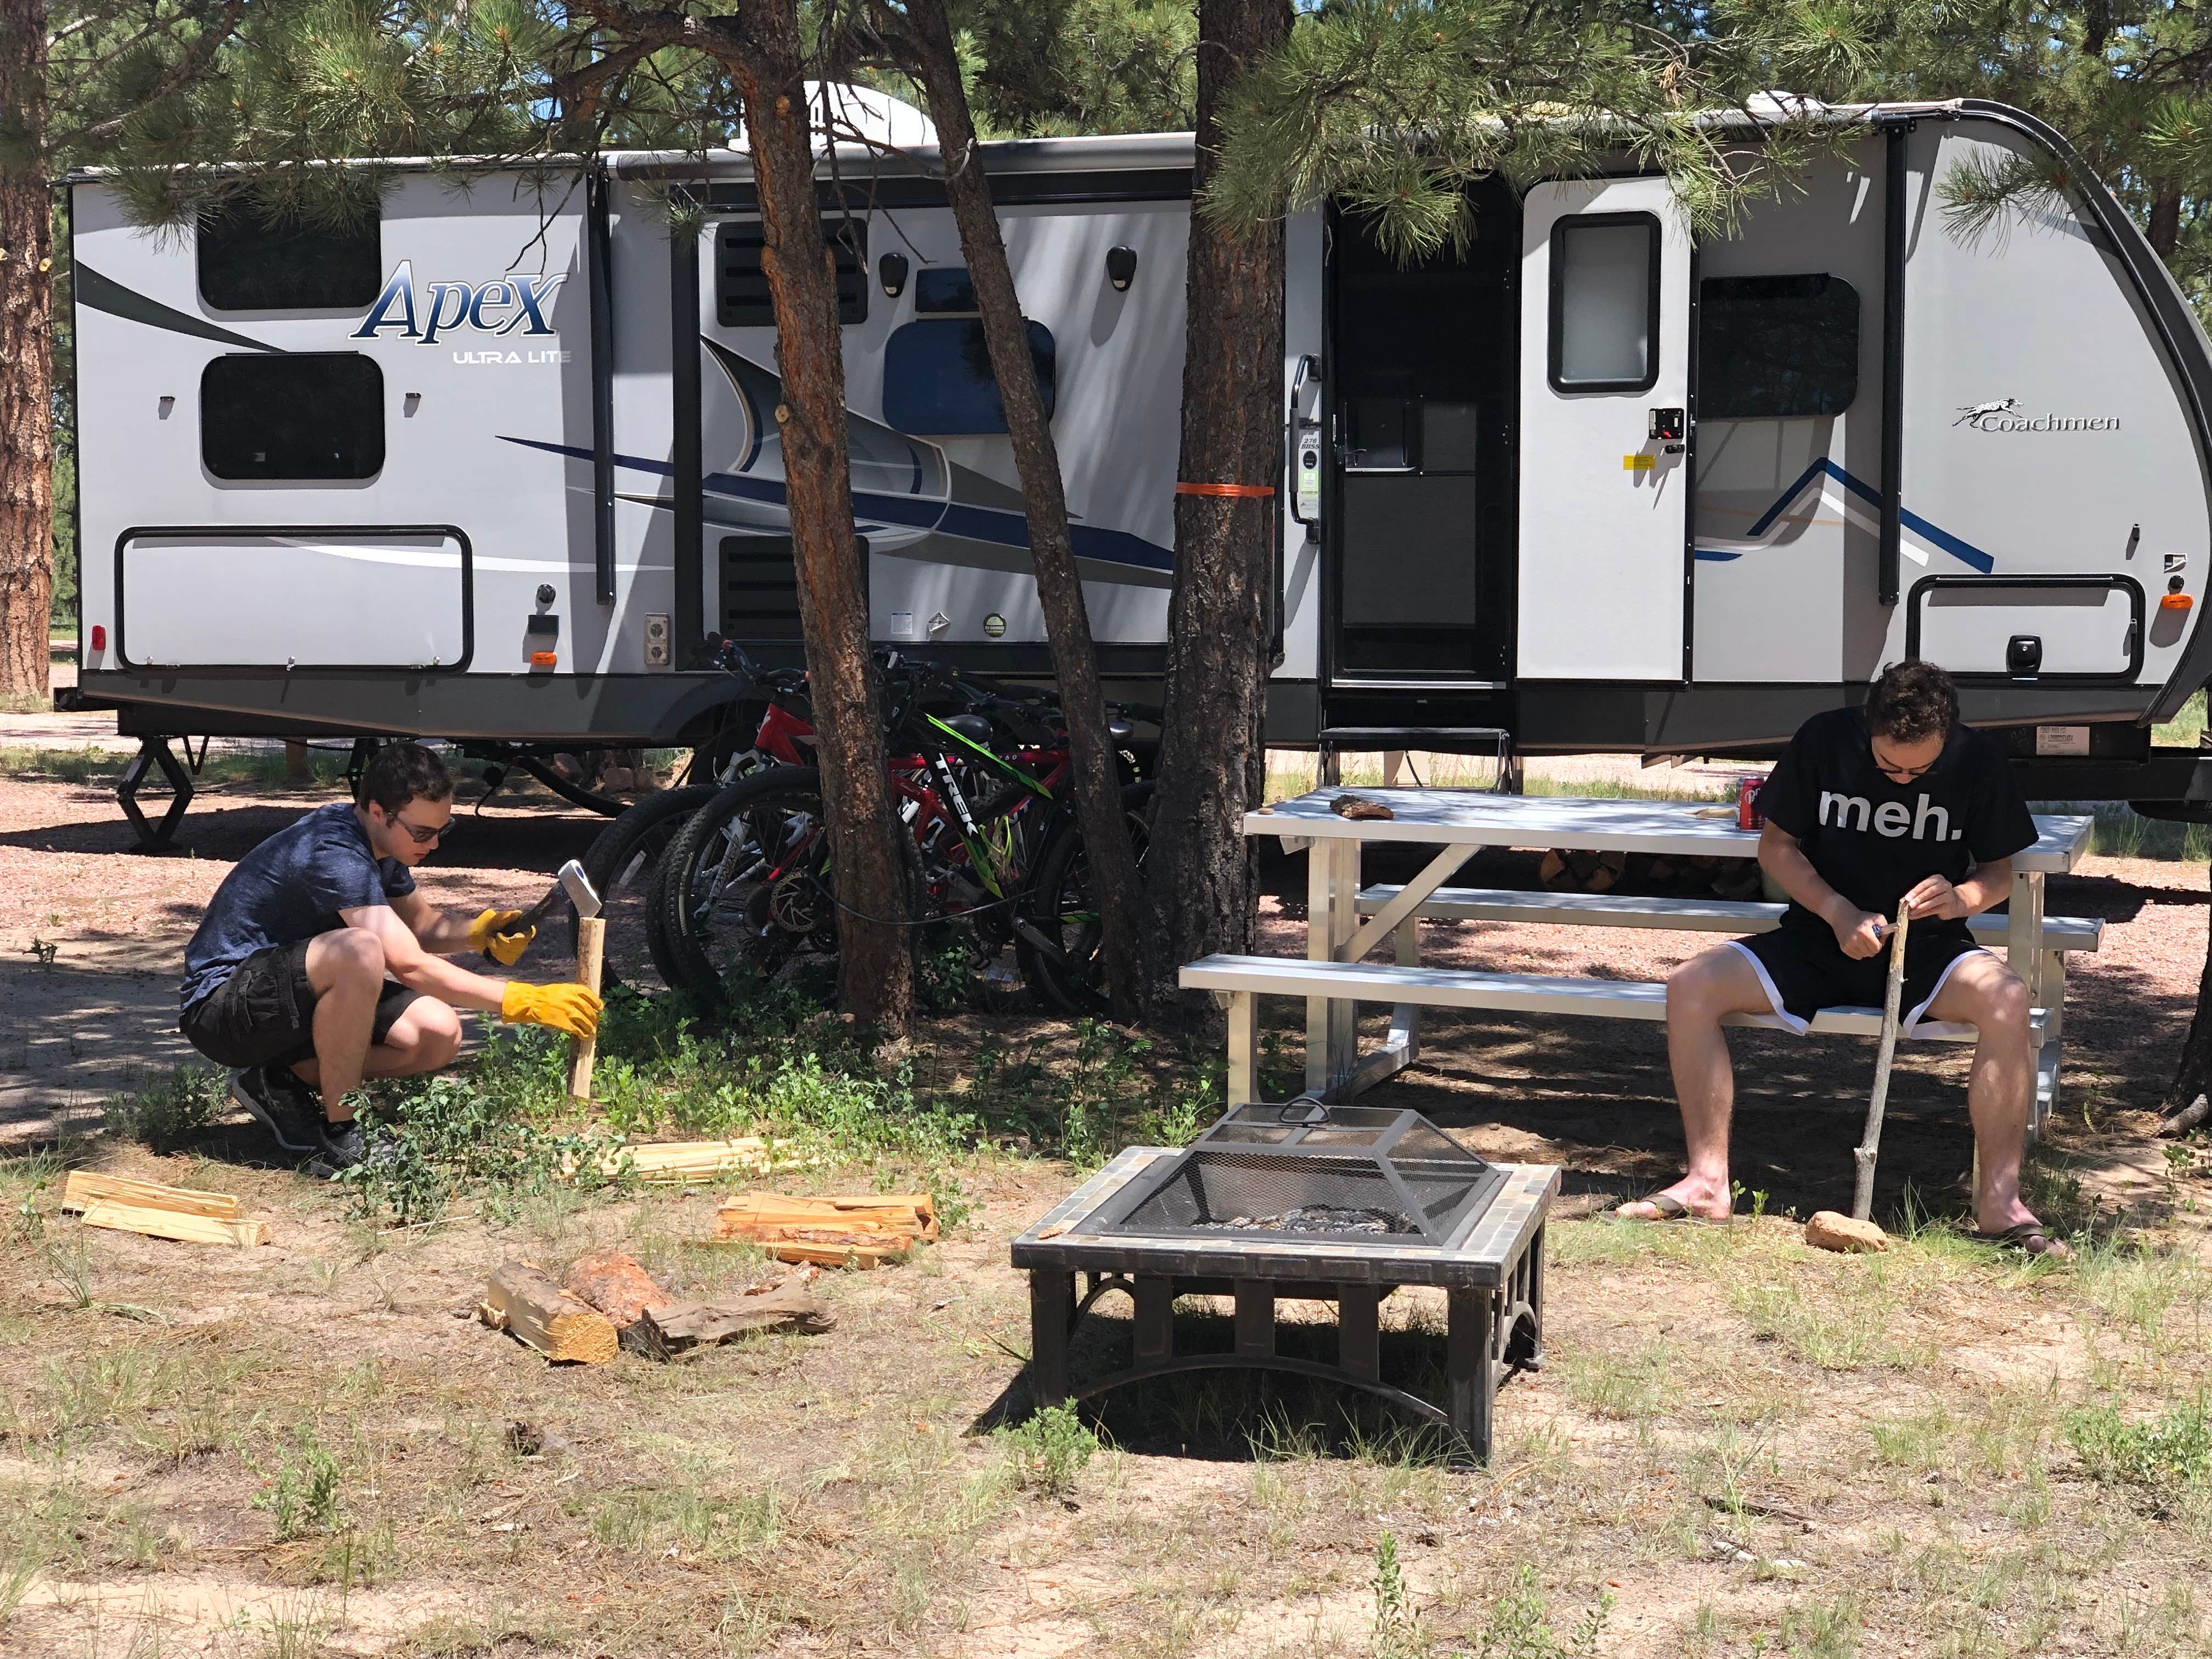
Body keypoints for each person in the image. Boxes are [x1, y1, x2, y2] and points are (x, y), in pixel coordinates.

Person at [1616, 661, 2068, 1257]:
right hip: (1817, 939)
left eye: (1920, 771)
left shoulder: (1977, 760)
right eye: (1888, 767)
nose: (1903, 781)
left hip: (1928, 951)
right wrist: (1837, 912)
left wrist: (1962, 899)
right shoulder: (1824, 739)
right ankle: (1706, 1183)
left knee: (2007, 998)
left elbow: (1998, 874)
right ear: (1868, 727)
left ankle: (2000, 1204)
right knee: (1689, 986)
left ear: (1948, 737)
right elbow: (1776, 849)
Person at [177, 742, 603, 1170]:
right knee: (360, 950)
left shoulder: (380, 845)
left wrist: (479, 933)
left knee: (436, 1034)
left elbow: (422, 927)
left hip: (286, 1000)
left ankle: (277, 1081)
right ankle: (342, 1132)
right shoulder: (334, 851)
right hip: (221, 1011)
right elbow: (408, 963)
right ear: (379, 811)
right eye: (422, 833)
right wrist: (524, 1001)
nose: (433, 845)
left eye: (442, 830)